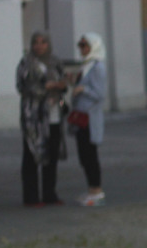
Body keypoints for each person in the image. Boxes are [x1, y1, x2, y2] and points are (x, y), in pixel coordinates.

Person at [17, 32, 69, 206]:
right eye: (36, 42)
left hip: (53, 116)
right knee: (32, 156)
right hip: (33, 117)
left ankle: (49, 194)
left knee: (51, 156)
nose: (39, 46)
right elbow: (22, 86)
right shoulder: (26, 63)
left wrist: (61, 86)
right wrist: (45, 88)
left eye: (43, 42)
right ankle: (31, 197)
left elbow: (63, 83)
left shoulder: (55, 62)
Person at [70, 32, 106, 206]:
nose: (82, 48)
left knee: (90, 154)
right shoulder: (87, 65)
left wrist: (83, 90)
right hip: (82, 116)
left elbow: (100, 94)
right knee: (84, 154)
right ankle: (91, 189)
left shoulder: (98, 67)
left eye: (85, 45)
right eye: (80, 45)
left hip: (90, 117)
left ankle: (97, 190)